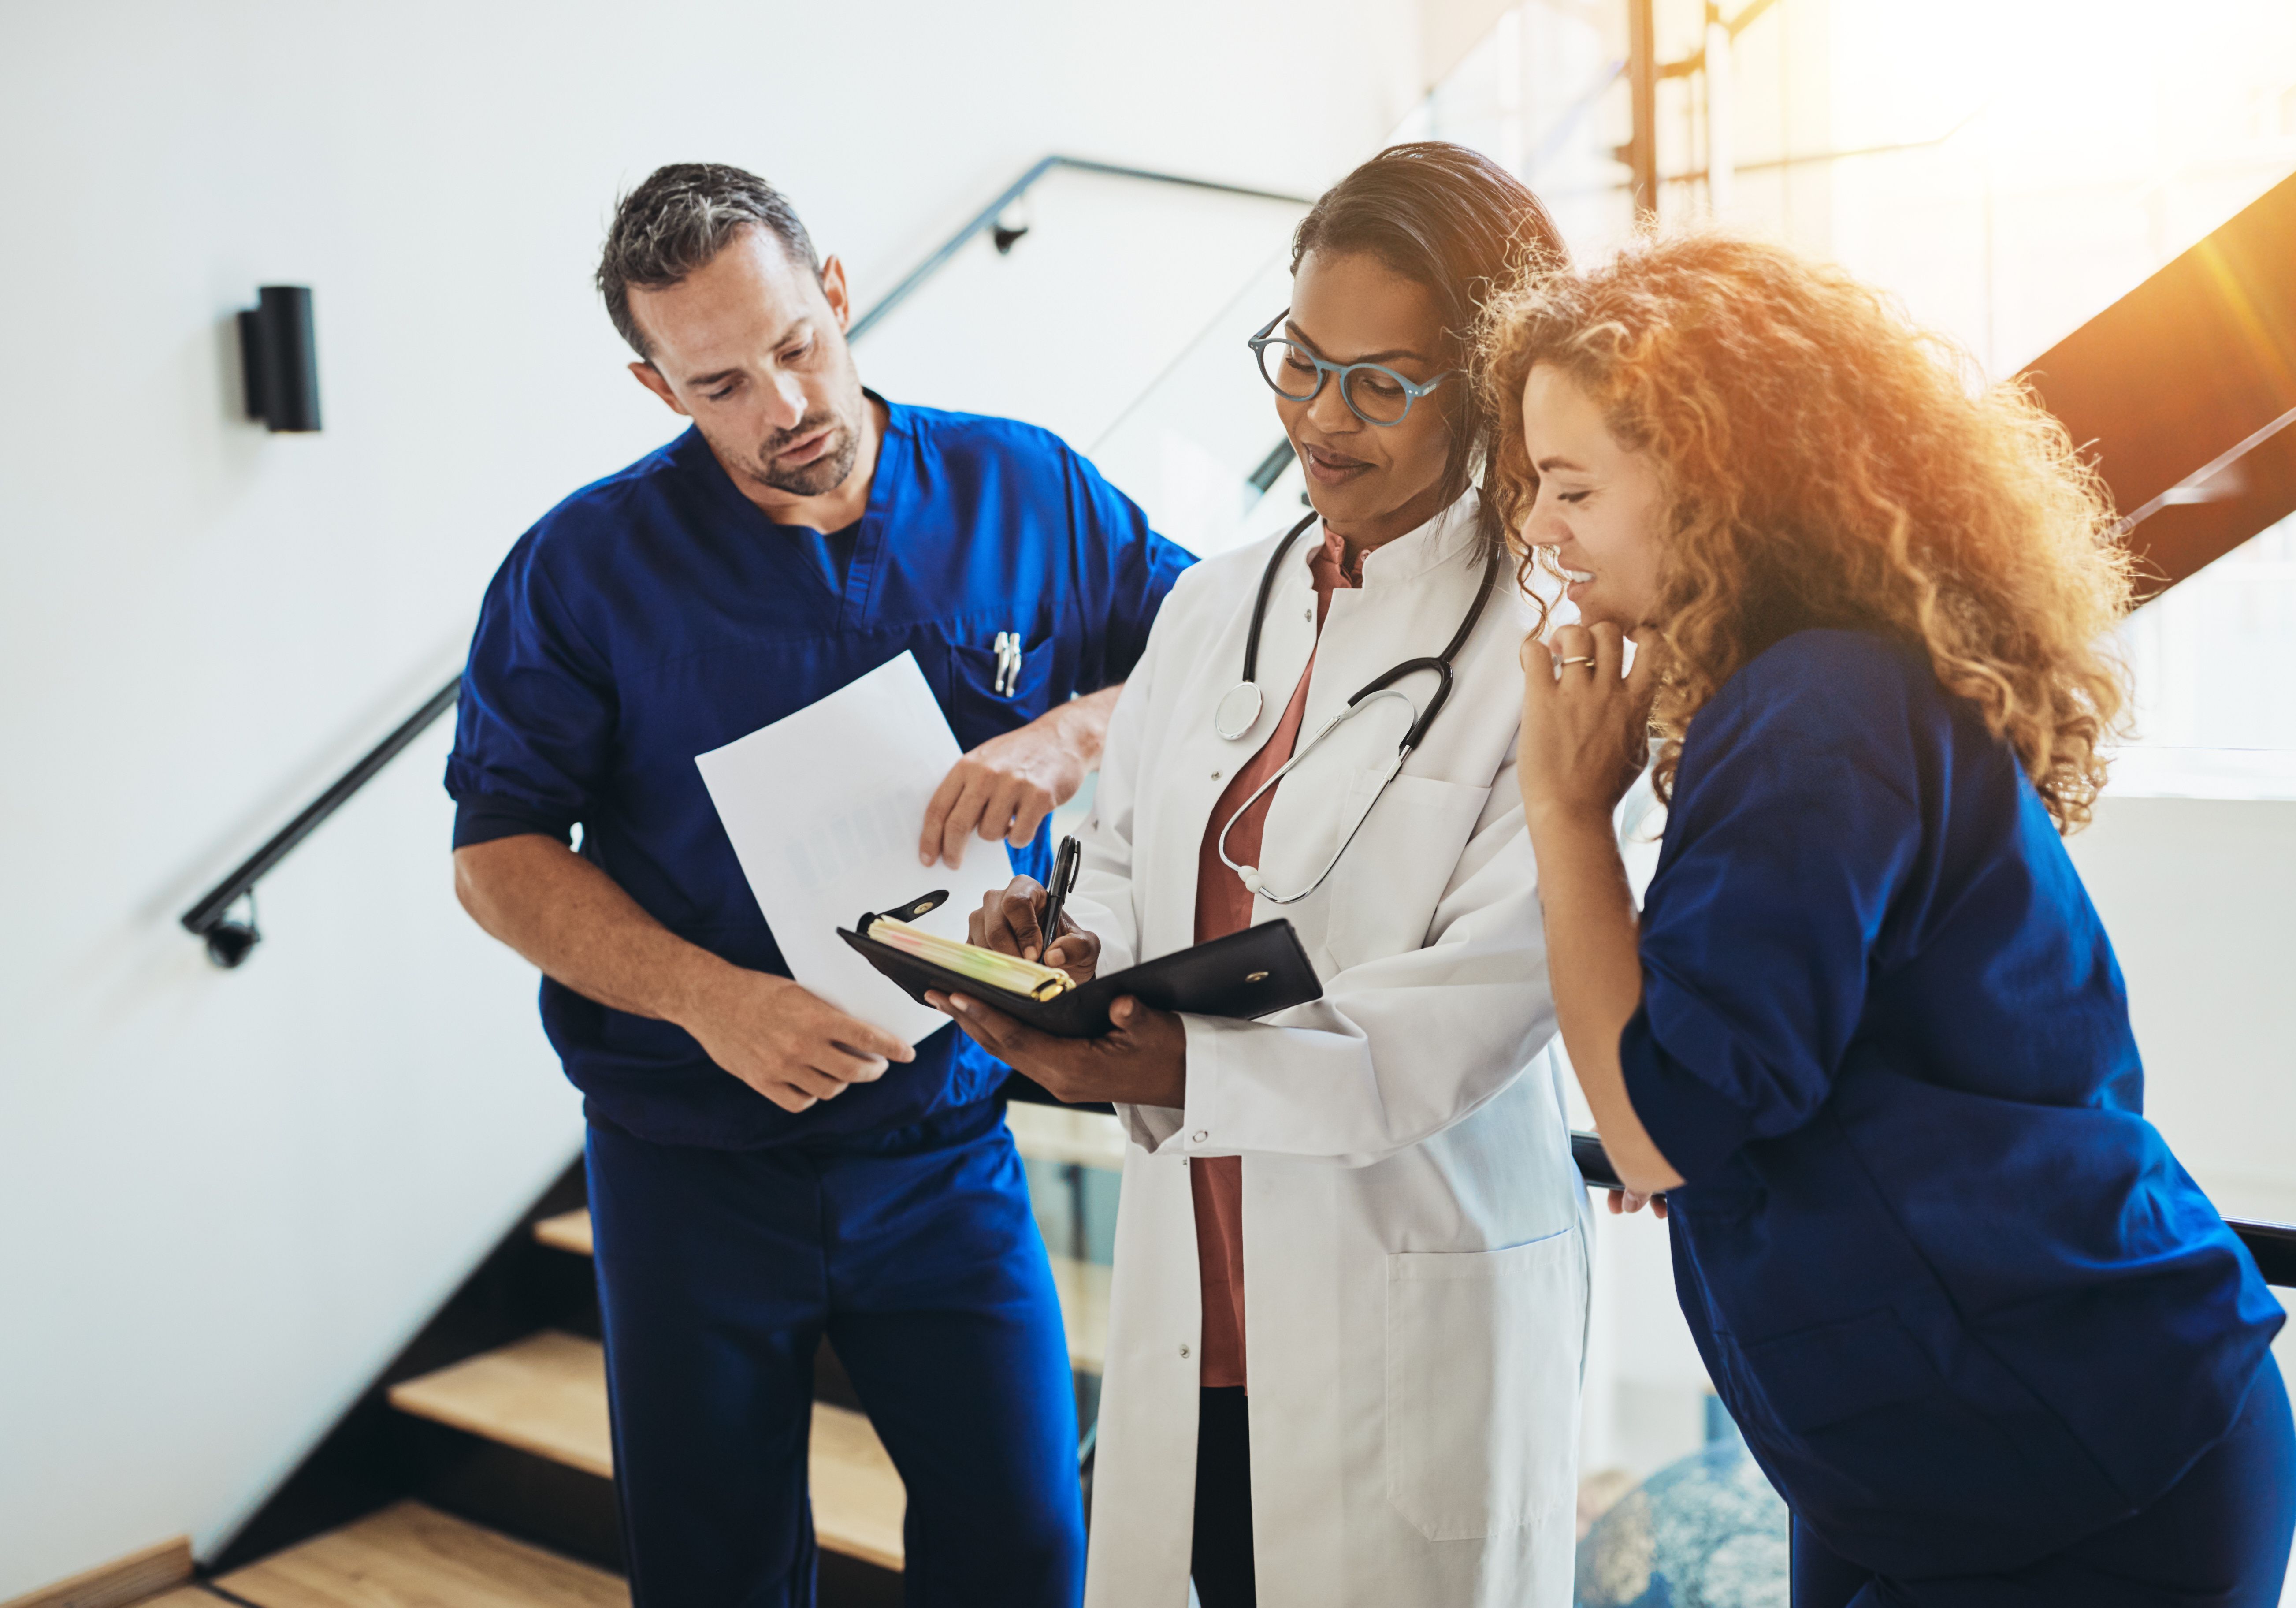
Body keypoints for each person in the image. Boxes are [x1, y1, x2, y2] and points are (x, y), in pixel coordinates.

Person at [1491, 231, 2295, 1607]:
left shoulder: (1814, 711)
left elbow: (1658, 1124)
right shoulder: (1812, 695)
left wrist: (1568, 812)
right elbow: (1725, 1085)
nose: (1540, 531)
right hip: (1928, 1461)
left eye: (1571, 487)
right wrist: (1674, 1092)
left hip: (2081, 1465)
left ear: (1706, 476)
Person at [445, 162, 1191, 1606]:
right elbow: (497, 856)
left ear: (837, 293)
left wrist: (1079, 728)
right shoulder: (585, 569)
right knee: (715, 1570)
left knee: (1026, 1543)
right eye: (720, 384)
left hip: (949, 1145)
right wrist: (711, 1002)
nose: (782, 410)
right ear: (659, 389)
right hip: (690, 1167)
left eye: (795, 347)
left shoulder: (1024, 489)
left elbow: (1225, 657)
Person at [926, 144, 1585, 1608]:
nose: (1317, 418)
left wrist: (1175, 1067)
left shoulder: (1548, 643)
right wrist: (1066, 945)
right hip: (1195, 1304)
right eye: (1300, 360)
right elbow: (1120, 858)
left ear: (1481, 386)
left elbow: (1481, 1007)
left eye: (1379, 382)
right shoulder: (1221, 598)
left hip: (1404, 1303)